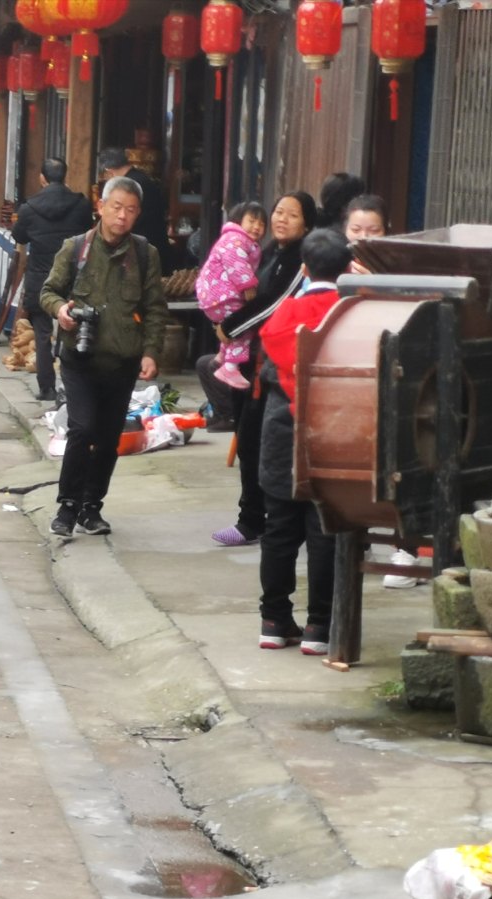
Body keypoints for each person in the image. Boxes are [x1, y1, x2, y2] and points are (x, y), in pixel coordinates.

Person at [40, 175, 168, 538]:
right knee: (81, 429)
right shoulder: (75, 248)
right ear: (101, 206)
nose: (122, 216)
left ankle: (91, 507)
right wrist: (61, 309)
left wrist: (150, 352)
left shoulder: (145, 254)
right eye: (116, 207)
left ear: (138, 214)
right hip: (79, 359)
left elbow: (155, 309)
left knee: (110, 437)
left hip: (122, 361)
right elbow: (48, 291)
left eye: (130, 210)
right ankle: (67, 506)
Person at [201, 190, 316, 546]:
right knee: (248, 441)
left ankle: (255, 520)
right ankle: (253, 517)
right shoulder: (266, 253)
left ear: (307, 225)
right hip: (247, 360)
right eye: (277, 211)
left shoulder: (300, 260)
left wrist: (230, 327)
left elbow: (274, 304)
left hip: (272, 365)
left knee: (259, 443)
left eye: (291, 215)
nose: (280, 219)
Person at [254, 228, 346, 654]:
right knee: (324, 531)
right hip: (331, 433)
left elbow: (270, 370)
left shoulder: (284, 314)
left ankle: (273, 620)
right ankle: (319, 627)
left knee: (278, 531)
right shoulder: (347, 314)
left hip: (280, 432)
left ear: (304, 268)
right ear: (346, 268)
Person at [11, 157, 92, 402]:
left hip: (40, 275)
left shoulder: (29, 207)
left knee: (42, 333)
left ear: (42, 178)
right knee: (77, 330)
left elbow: (20, 236)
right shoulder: (81, 205)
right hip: (73, 276)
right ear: (65, 176)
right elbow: (88, 235)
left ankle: (46, 387)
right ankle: (73, 388)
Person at [195, 201, 267, 391]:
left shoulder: (240, 240)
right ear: (238, 221)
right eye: (252, 221)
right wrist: (248, 284)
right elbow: (236, 263)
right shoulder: (235, 239)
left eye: (261, 224)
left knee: (233, 323)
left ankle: (222, 355)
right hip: (221, 295)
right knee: (242, 326)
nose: (257, 227)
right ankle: (230, 367)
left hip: (216, 296)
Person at [96, 147, 177, 274]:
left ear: (109, 172)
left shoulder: (129, 186)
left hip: (142, 253)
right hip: (155, 246)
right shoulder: (142, 178)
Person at [343, 193, 390, 274]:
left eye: (374, 230)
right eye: (356, 230)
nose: (363, 237)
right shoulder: (334, 262)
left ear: (386, 231)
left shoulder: (395, 266)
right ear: (344, 229)